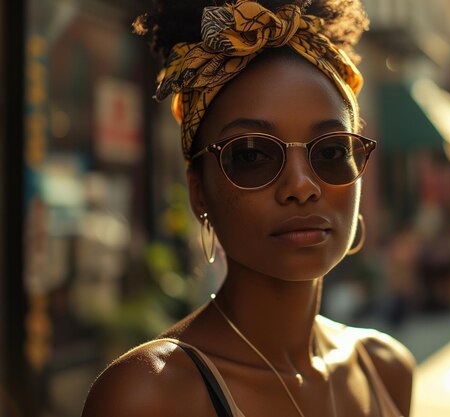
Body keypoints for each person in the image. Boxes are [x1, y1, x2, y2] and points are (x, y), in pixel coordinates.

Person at [81, 1, 416, 416]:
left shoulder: (385, 368)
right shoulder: (151, 394)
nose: (301, 186)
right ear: (198, 191)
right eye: (252, 155)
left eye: (330, 151)